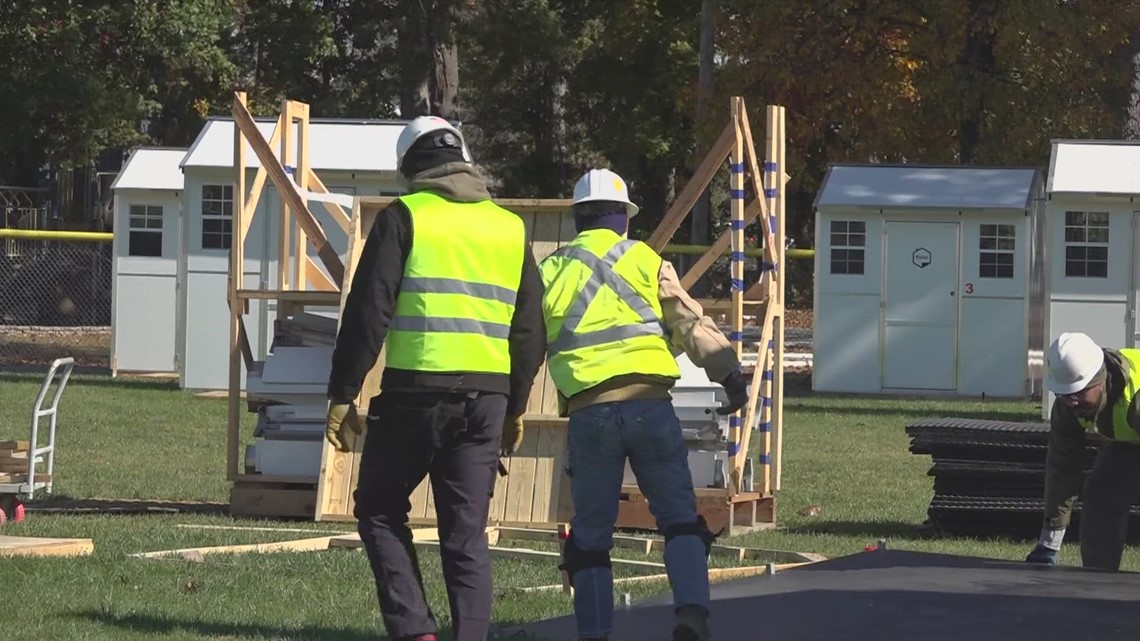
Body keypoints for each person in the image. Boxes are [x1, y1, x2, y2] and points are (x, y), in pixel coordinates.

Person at [324, 115, 546, 641]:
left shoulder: (406, 216)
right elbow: (530, 331)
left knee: (379, 510)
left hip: (415, 395)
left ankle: (416, 631)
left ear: (410, 168)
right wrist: (515, 406)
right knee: (466, 532)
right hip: (487, 401)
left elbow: (368, 311)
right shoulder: (509, 227)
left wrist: (342, 393)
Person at [539, 168, 749, 641]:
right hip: (650, 408)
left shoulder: (550, 270)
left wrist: (507, 407)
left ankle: (594, 633)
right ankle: (691, 613)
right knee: (679, 519)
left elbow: (526, 342)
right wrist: (730, 376)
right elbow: (690, 325)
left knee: (591, 538)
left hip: (590, 414)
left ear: (576, 218)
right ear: (623, 218)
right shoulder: (646, 260)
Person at [1025, 331, 1140, 570]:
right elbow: (1062, 467)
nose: (1071, 402)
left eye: (1078, 393)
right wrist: (1049, 543)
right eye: (1064, 394)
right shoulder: (1069, 405)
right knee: (1101, 495)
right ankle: (1098, 583)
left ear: (1100, 382)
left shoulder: (1135, 401)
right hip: (1128, 444)